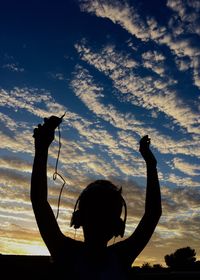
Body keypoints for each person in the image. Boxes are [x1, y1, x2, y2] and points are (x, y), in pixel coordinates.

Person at [31, 115, 162, 279]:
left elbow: (39, 202)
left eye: (104, 213)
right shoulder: (121, 256)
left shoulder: (65, 251)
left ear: (78, 218)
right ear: (118, 226)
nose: (99, 219)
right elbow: (152, 214)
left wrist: (41, 150)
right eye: (96, 212)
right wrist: (151, 165)